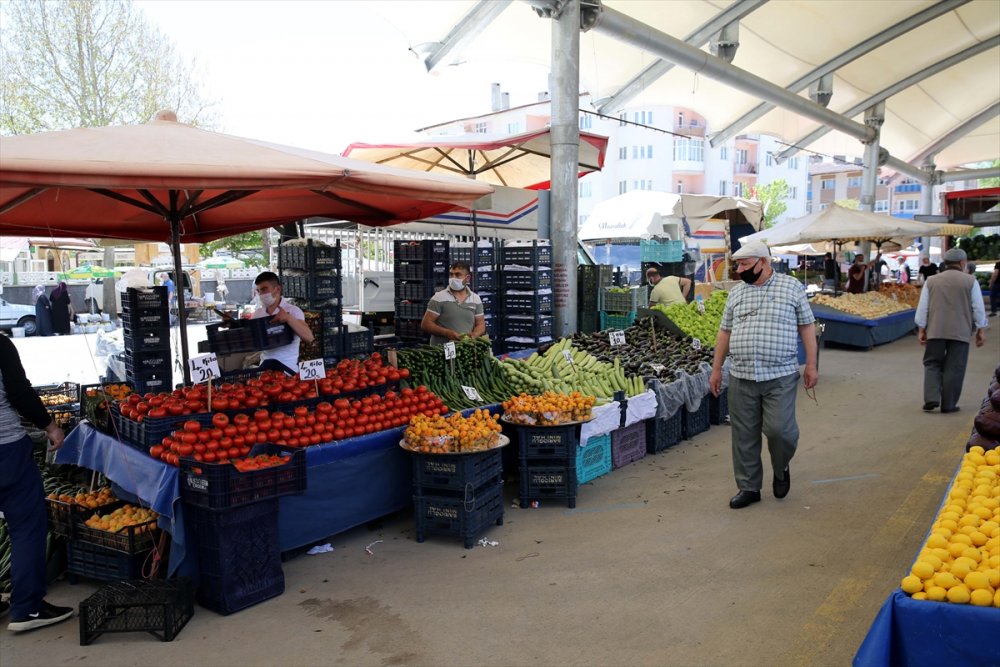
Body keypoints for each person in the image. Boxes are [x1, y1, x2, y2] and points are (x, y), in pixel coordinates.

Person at [709, 241, 818, 510]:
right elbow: (725, 332)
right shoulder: (737, 293)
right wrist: (716, 368)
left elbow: (807, 327)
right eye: (739, 265)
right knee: (744, 434)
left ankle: (781, 468)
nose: (741, 269)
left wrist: (812, 365)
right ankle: (748, 486)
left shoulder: (791, 287)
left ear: (764, 262)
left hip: (779, 374)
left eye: (746, 264)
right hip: (742, 374)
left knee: (780, 431)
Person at [0, 335, 74, 632]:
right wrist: (51, 427)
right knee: (27, 526)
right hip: (5, 450)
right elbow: (19, 392)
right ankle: (27, 609)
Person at [914, 248, 988, 413]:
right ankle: (949, 404)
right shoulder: (971, 281)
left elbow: (923, 308)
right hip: (960, 332)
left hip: (935, 330)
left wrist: (921, 328)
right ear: (963, 263)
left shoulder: (931, 281)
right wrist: (981, 329)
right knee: (955, 367)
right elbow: (978, 308)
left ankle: (931, 398)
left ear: (945, 263)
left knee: (932, 363)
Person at [251, 272, 315, 374]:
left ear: (278, 289)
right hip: (264, 371)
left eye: (264, 289)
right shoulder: (258, 313)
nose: (261, 294)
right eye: (258, 291)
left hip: (288, 372)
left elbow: (309, 338)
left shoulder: (294, 311)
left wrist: (288, 318)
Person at [421, 262, 485, 344]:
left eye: (458, 275)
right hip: (441, 351)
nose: (453, 278)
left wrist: (474, 334)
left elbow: (481, 324)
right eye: (451, 274)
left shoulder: (475, 299)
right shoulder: (439, 298)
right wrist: (446, 333)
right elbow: (426, 324)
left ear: (467, 278)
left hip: (465, 349)